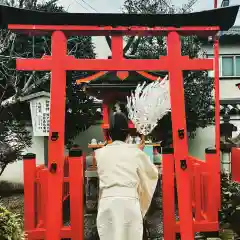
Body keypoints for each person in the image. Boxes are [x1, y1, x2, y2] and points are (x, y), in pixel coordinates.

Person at [95, 112, 158, 240]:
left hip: (107, 204)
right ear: (128, 134)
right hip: (129, 203)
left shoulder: (99, 153)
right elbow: (152, 174)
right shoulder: (135, 152)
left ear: (109, 134)